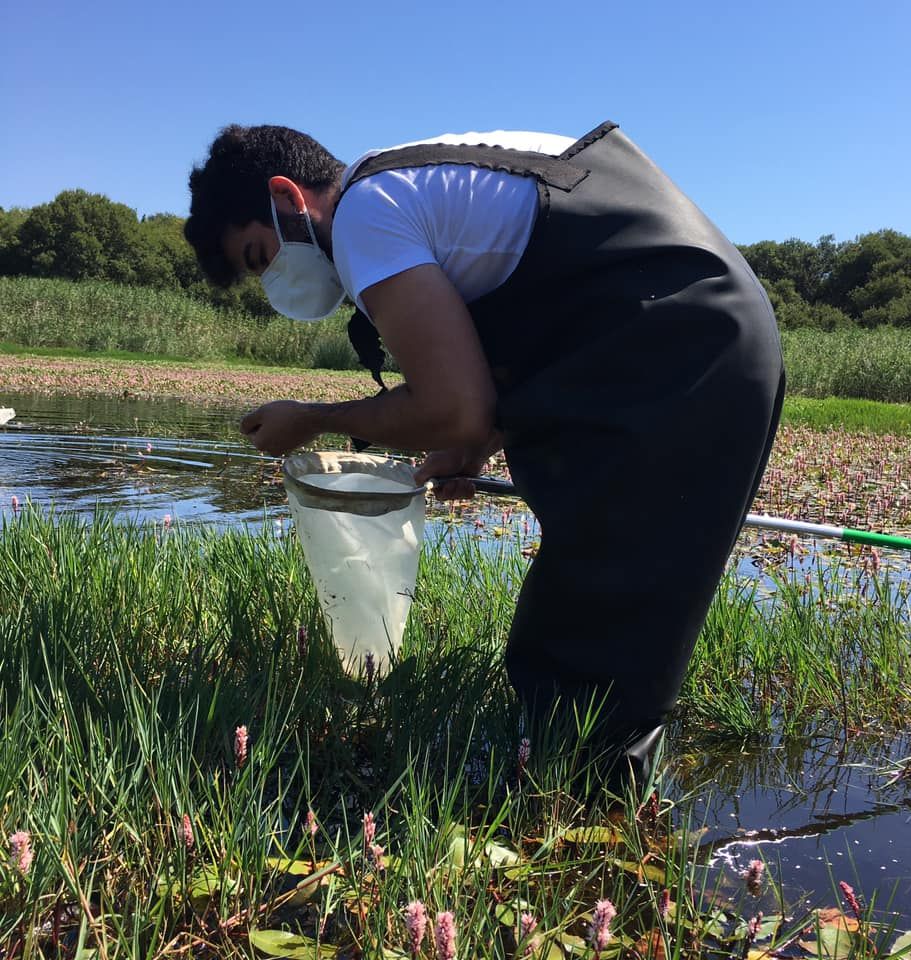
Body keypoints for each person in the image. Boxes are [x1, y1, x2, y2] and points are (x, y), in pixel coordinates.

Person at [184, 120, 785, 776]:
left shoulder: (363, 216)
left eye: (259, 255)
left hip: (679, 353)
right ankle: (591, 830)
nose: (274, 280)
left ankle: (589, 843)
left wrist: (314, 420)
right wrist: (473, 446)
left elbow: (456, 409)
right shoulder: (409, 181)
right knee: (594, 637)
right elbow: (530, 328)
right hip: (700, 334)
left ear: (286, 195)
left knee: (584, 664)